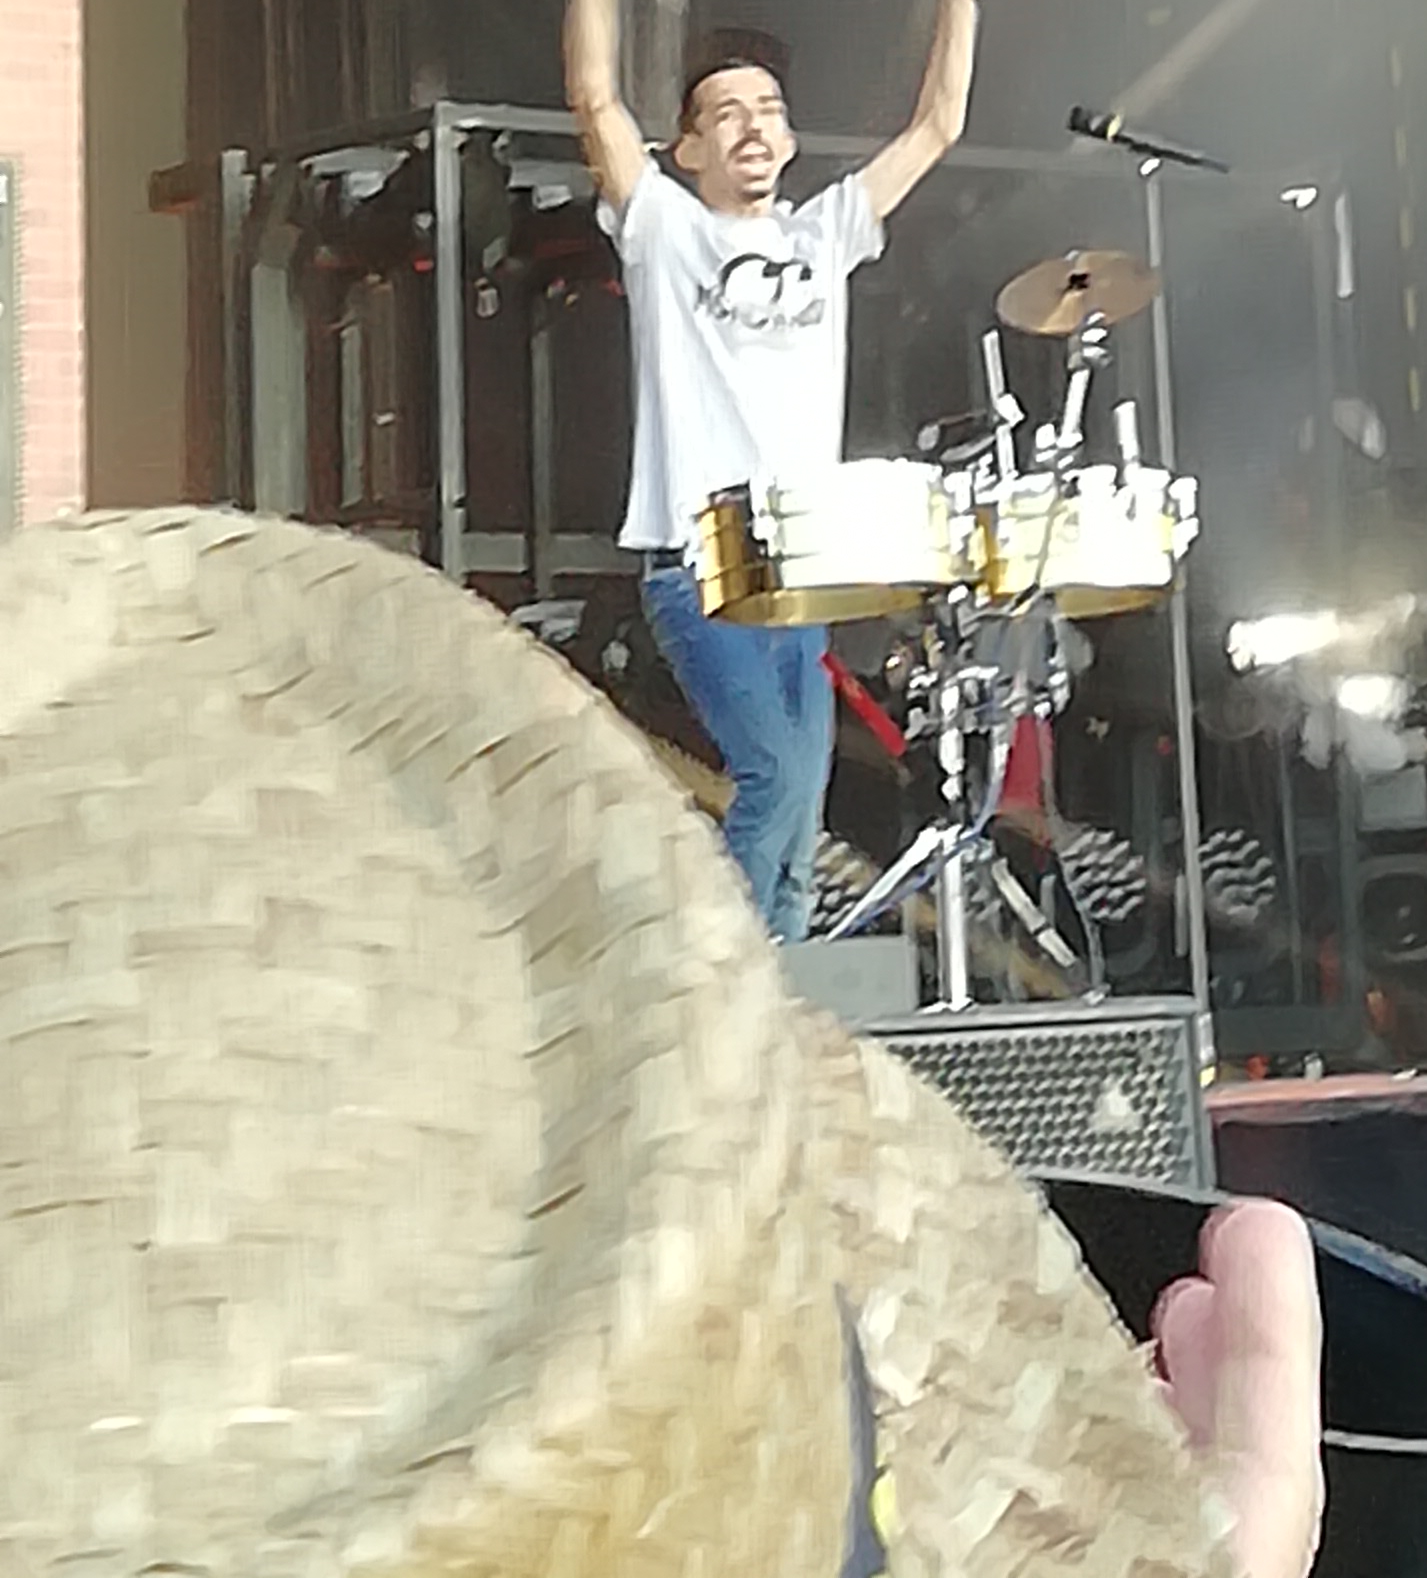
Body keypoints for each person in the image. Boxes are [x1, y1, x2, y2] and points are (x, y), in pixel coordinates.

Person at [0, 502, 1326, 1578]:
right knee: (780, 786)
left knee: (792, 785)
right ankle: (763, 936)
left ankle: (765, 934)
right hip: (709, 564)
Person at [556, 0, 996, 941]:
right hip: (700, 565)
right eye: (726, 113)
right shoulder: (668, 232)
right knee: (773, 779)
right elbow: (593, 98)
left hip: (802, 570)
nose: (753, 125)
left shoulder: (822, 233)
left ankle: (775, 974)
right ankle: (741, 985)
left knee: (802, 801)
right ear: (687, 148)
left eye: (768, 108)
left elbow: (936, 128)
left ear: (791, 138)